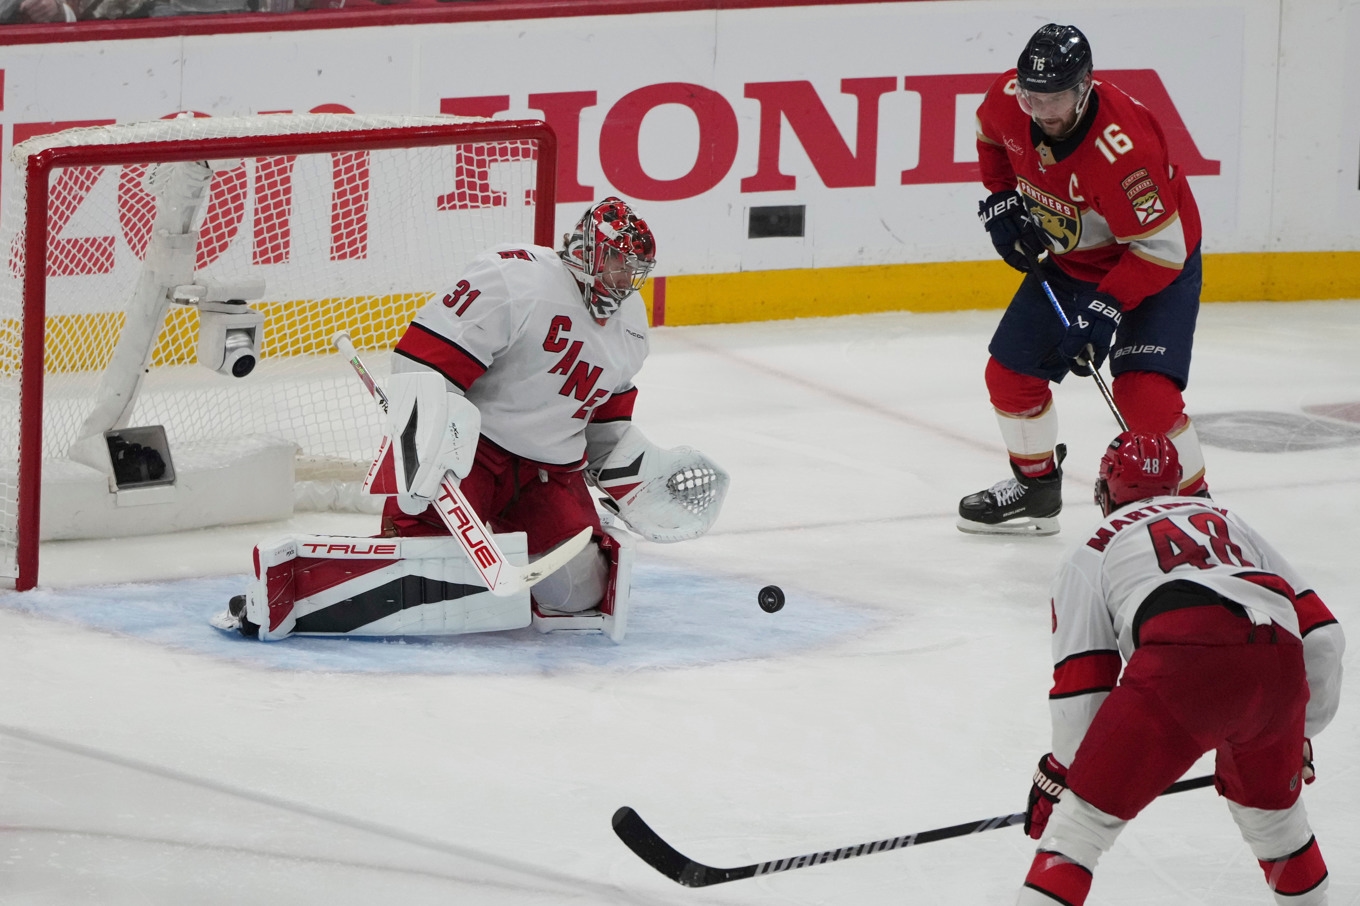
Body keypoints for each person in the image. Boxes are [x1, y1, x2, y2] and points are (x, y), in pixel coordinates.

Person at [217, 196, 727, 642]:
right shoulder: (515, 278)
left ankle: (529, 547)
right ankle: (309, 589)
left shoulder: (632, 329)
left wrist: (635, 475)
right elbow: (423, 360)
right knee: (419, 577)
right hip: (470, 453)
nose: (624, 280)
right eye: (617, 261)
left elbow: (604, 427)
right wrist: (428, 443)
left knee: (578, 592)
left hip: (550, 474)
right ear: (589, 247)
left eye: (634, 270)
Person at [1019, 431, 1344, 906]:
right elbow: (1323, 639)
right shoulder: (1227, 520)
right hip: (1277, 662)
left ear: (1106, 491)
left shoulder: (1090, 549)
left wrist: (1063, 774)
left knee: (1079, 831)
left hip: (1182, 662)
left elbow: (1083, 691)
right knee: (1279, 830)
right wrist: (1298, 731)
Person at [961, 23, 1209, 536]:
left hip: (1153, 262)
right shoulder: (1010, 99)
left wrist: (1107, 305)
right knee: (1009, 377)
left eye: (1055, 99)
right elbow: (991, 135)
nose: (1042, 112)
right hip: (1076, 261)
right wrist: (1002, 194)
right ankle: (1036, 489)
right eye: (1033, 97)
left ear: (1085, 87)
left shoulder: (1125, 152)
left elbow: (1161, 249)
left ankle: (1199, 512)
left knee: (1144, 396)